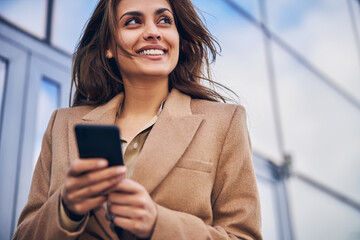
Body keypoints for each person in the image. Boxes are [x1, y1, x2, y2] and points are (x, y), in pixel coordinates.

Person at [13, 0, 262, 239]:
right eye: (133, 21)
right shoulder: (63, 124)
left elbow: (243, 236)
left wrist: (158, 224)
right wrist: (66, 209)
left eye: (164, 20)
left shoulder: (225, 123)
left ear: (179, 39)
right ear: (107, 47)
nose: (153, 32)